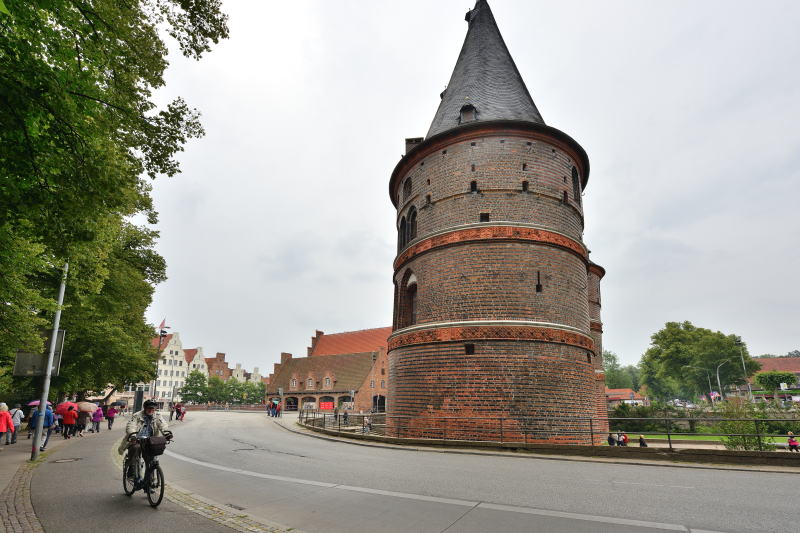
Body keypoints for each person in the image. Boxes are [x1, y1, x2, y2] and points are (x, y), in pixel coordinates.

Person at [118, 400, 172, 485]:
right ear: (145, 408)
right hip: (137, 439)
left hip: (150, 441)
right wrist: (133, 435)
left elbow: (163, 425)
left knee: (151, 461)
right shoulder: (137, 415)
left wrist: (166, 433)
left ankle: (149, 482)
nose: (151, 410)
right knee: (136, 448)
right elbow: (131, 426)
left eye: (153, 409)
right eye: (149, 408)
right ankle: (131, 471)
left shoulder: (157, 416)